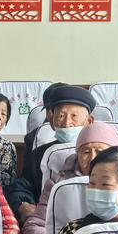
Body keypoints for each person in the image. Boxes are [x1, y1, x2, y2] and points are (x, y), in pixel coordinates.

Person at [23, 121, 118, 234]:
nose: (93, 158)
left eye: (100, 151)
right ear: (77, 155)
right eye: (86, 152)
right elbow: (34, 226)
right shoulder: (57, 183)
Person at [14, 85, 97, 218]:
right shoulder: (39, 154)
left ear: (89, 122)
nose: (67, 123)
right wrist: (23, 203)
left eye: (74, 116)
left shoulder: (102, 154)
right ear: (52, 121)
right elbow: (23, 185)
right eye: (61, 115)